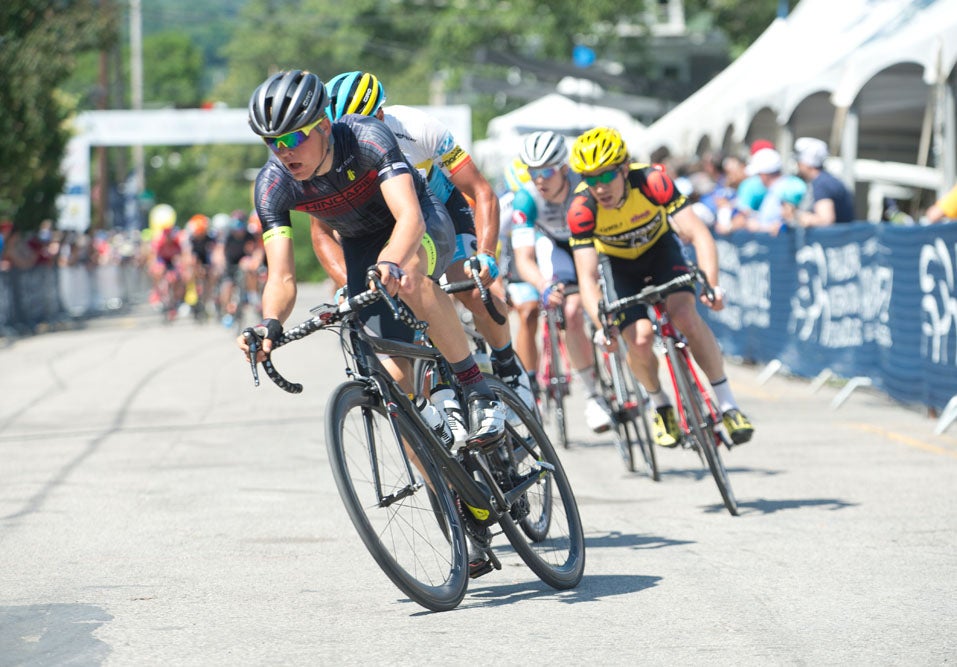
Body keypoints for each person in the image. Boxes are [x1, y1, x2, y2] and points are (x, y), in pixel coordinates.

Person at [240, 69, 505, 447]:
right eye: (271, 141)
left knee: (410, 275)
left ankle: (478, 391)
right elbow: (281, 277)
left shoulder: (365, 137)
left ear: (324, 127)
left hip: (420, 224)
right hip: (362, 244)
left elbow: (409, 217)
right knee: (392, 379)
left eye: (293, 137)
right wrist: (268, 323)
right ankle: (457, 490)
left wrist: (392, 262)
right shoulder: (273, 185)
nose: (283, 151)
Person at [320, 70, 533, 408]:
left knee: (470, 286)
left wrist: (487, 254)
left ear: (380, 114)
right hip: (387, 225)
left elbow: (481, 192)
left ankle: (509, 366)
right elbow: (322, 232)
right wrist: (348, 281)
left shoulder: (418, 129)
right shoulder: (332, 152)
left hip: (441, 209)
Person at [566, 126, 754, 447]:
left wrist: (712, 284)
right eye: (590, 179)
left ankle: (727, 404)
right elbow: (586, 276)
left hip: (660, 252)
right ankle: (660, 403)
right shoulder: (582, 209)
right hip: (619, 267)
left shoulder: (653, 181)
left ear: (624, 169)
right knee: (638, 339)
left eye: (606, 176)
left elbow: (697, 233)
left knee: (685, 316)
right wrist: (602, 326)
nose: (599, 187)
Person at [511, 130, 613, 433]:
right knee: (569, 311)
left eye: (546, 171)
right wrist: (543, 286)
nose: (539, 179)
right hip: (556, 247)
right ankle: (593, 396)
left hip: (594, 242)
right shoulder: (526, 198)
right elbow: (524, 258)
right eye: (533, 172)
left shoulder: (584, 188)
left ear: (564, 169)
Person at [789, 137, 856, 226]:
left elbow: (825, 219)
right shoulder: (825, 180)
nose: (797, 165)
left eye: (799, 161)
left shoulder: (822, 183)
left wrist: (797, 216)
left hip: (834, 239)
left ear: (807, 162)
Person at [744, 147, 807, 236]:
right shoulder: (779, 188)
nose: (758, 179)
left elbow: (789, 221)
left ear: (765, 175)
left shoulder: (788, 188)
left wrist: (759, 227)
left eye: (759, 174)